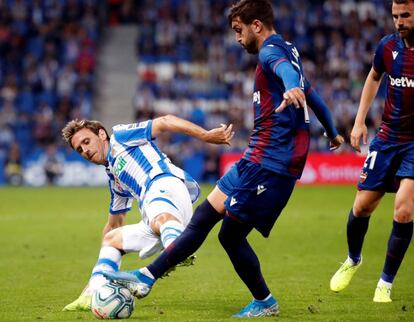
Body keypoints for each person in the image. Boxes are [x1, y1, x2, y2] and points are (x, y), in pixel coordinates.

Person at [104, 0, 344, 317]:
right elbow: (313, 96)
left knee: (230, 236)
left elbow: (290, 79)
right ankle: (147, 276)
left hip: (271, 164)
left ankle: (265, 302)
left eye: (238, 30)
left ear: (256, 25)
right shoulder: (288, 50)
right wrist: (332, 131)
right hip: (254, 159)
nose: (237, 38)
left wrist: (290, 87)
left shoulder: (271, 53)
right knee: (203, 215)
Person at [61, 114, 234, 311]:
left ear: (101, 134)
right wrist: (92, 279)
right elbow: (114, 223)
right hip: (158, 215)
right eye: (79, 149)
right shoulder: (115, 178)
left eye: (86, 141)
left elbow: (165, 121)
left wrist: (205, 135)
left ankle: (176, 245)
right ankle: (93, 292)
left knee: (158, 216)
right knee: (111, 239)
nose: (85, 150)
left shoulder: (120, 137)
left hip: (165, 185)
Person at [330, 0, 414, 303]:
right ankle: (353, 258)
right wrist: (359, 120)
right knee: (362, 207)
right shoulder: (387, 47)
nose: (399, 21)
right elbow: (374, 76)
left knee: (403, 208)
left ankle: (385, 283)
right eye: (395, 16)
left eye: (405, 15)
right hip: (388, 137)